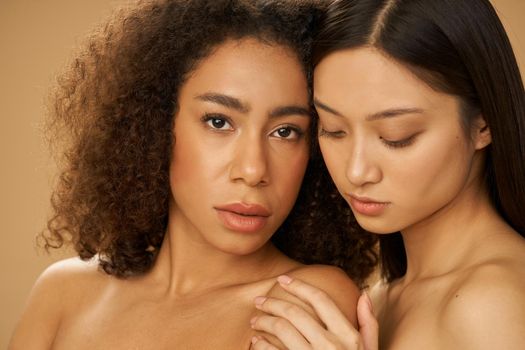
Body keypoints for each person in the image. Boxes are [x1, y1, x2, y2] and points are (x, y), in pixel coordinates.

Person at [8, 0, 379, 349]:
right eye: (219, 122)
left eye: (285, 131)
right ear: (155, 125)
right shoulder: (63, 293)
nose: (253, 170)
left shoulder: (303, 299)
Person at [250, 0, 525, 349]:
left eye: (396, 137)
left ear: (483, 121)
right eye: (333, 129)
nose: (356, 171)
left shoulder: (493, 304)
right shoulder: (380, 298)